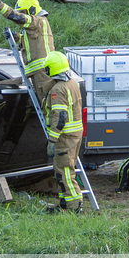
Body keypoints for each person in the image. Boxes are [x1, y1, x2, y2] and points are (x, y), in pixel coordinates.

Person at [42, 51, 84, 213]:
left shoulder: (58, 89)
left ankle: (74, 207)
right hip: (74, 135)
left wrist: (52, 140)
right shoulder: (72, 83)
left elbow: (60, 117)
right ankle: (65, 204)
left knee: (64, 173)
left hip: (64, 137)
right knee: (67, 170)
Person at [0, 0, 55, 96]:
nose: (22, 14)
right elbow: (33, 42)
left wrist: (0, 5)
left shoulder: (38, 21)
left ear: (32, 10)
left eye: (24, 12)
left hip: (42, 70)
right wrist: (17, 36)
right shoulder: (36, 25)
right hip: (38, 71)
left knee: (45, 102)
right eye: (21, 12)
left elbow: (19, 18)